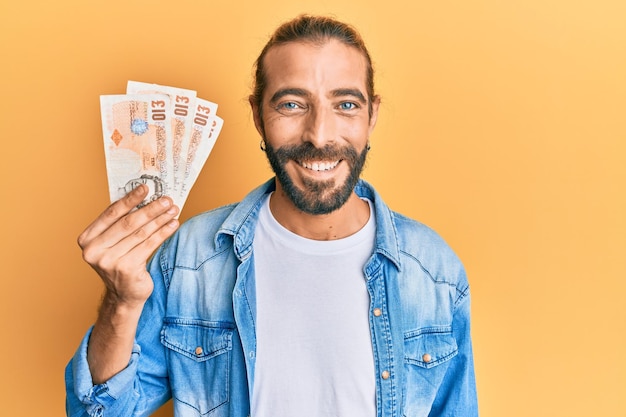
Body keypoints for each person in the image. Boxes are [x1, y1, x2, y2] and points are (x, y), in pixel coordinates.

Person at [65, 14, 478, 417]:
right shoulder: (190, 258)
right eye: (292, 104)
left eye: (346, 104)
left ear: (371, 117)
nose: (319, 134)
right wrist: (120, 302)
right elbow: (99, 413)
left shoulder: (434, 270)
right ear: (258, 117)